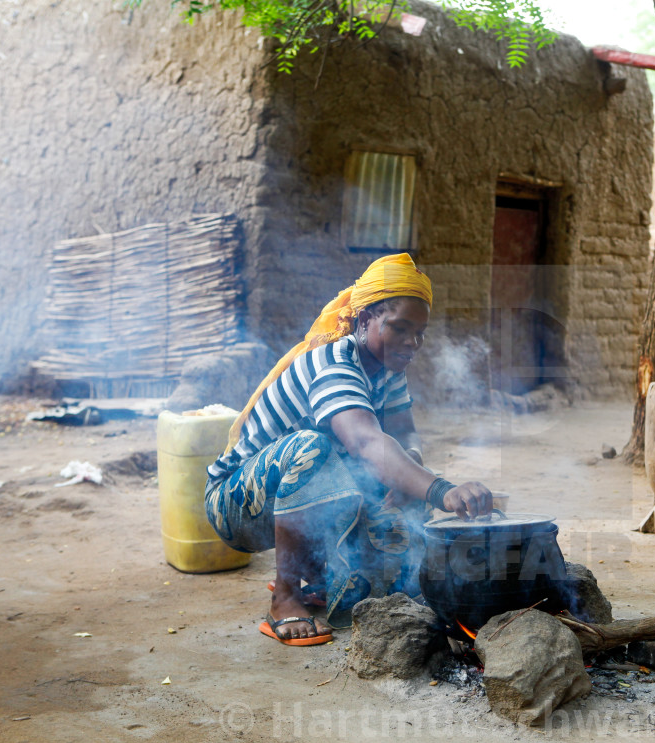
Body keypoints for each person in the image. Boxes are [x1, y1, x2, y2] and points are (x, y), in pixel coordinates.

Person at [205, 253, 493, 645]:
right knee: (314, 448)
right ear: (363, 321)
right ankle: (286, 596)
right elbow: (365, 441)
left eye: (420, 332)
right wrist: (443, 490)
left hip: (302, 496)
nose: (412, 343)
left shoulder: (389, 370)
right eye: (399, 328)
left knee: (400, 511)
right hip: (237, 504)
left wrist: (409, 476)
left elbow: (404, 439)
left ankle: (324, 576)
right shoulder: (333, 362)